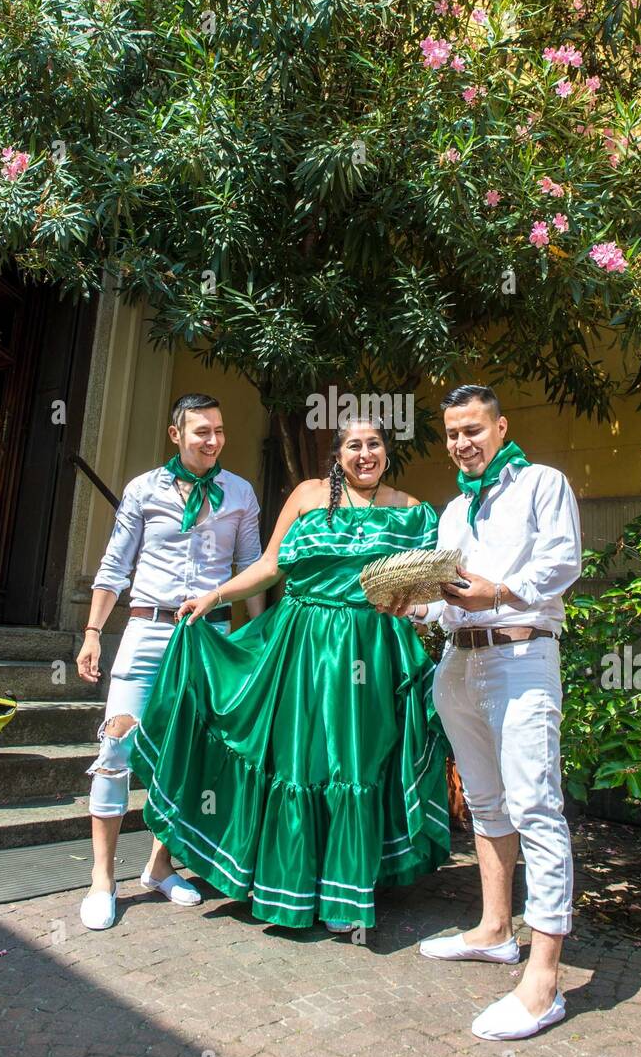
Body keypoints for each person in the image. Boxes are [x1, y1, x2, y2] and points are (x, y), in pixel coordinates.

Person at [128, 416, 450, 932]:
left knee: (354, 762)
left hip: (372, 651)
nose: (364, 454)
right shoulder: (307, 495)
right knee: (297, 759)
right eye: (353, 445)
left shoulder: (414, 512)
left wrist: (416, 612)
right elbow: (272, 565)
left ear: (388, 451)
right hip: (301, 644)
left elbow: (429, 589)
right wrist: (216, 595)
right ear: (337, 453)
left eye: (374, 444)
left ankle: (345, 897)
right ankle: (288, 883)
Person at [400, 385, 581, 1041]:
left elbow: (563, 561)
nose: (461, 442)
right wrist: (413, 606)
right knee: (483, 804)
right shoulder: (453, 511)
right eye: (451, 433)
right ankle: (494, 930)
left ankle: (542, 980)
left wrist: (499, 591)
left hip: (520, 657)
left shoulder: (541, 483)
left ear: (500, 427)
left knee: (535, 807)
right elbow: (450, 601)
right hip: (457, 664)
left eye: (473, 429)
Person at [76, 393, 264, 930]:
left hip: (208, 637)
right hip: (148, 629)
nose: (213, 440)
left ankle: (160, 866)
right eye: (201, 431)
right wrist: (92, 634)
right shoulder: (143, 489)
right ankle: (102, 879)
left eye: (220, 431)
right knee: (116, 746)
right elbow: (115, 564)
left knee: (191, 754)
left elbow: (250, 567)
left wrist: (253, 641)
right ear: (175, 434)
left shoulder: (240, 492)